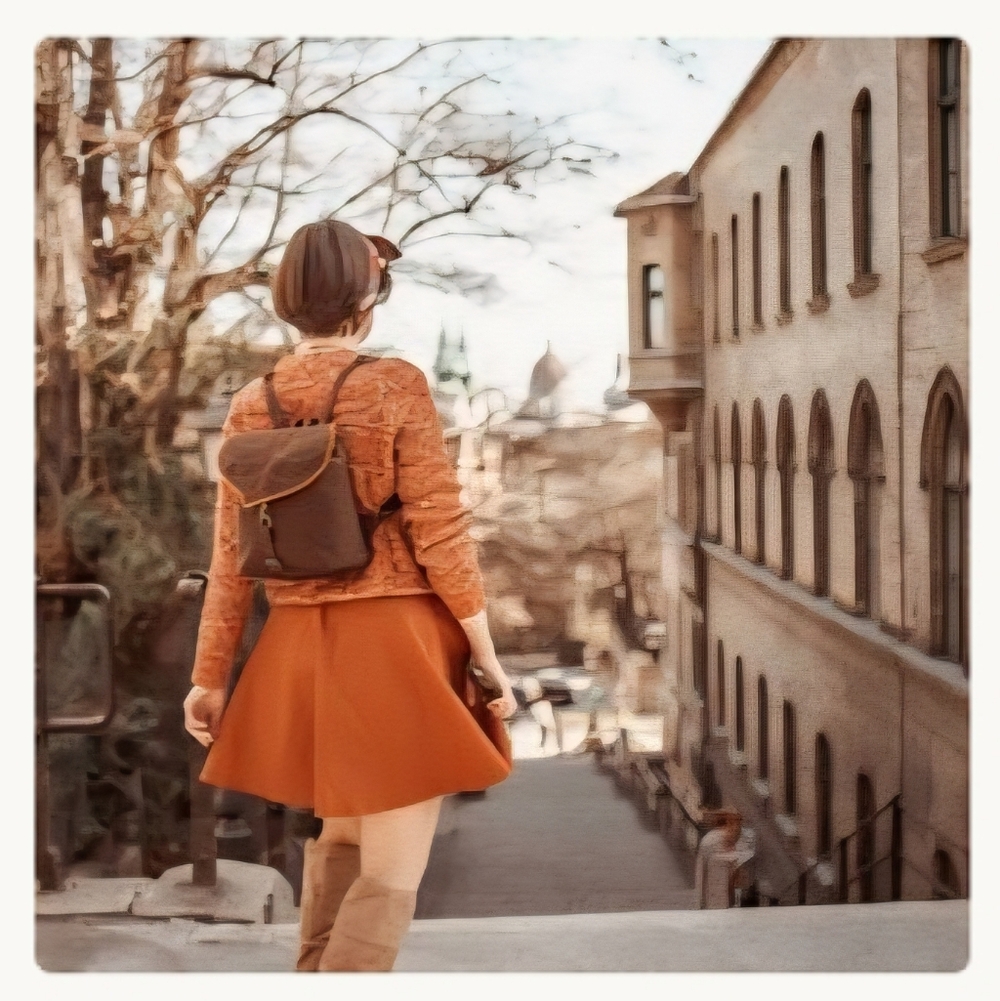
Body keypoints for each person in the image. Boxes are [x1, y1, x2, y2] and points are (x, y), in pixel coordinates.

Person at [182, 219, 517, 972]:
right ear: (368, 302)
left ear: (285, 302)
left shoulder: (249, 402)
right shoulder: (393, 383)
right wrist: (486, 653)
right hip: (396, 641)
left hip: (300, 644)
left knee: (342, 839)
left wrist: (208, 677)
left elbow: (231, 560)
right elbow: (438, 527)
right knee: (393, 871)